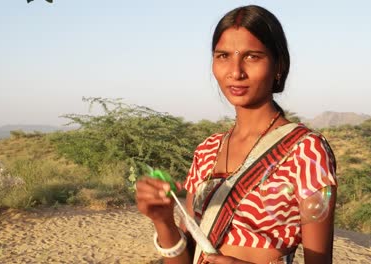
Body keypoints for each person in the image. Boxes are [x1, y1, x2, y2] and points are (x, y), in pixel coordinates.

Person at [136, 5, 337, 264]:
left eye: (252, 57)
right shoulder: (207, 151)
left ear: (279, 65)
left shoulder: (306, 150)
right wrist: (163, 221)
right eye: (223, 56)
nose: (236, 72)